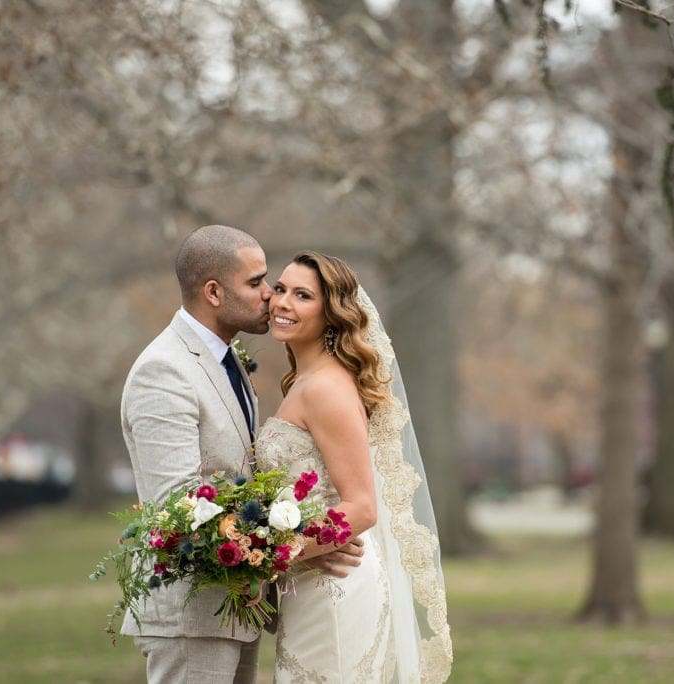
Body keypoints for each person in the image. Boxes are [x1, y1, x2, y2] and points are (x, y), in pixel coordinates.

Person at [120, 227, 363, 682]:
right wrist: (290, 551)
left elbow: (243, 479)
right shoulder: (164, 371)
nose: (270, 295)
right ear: (213, 292)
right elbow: (178, 504)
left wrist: (300, 543)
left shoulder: (226, 360)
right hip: (192, 614)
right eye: (256, 283)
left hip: (236, 609)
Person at [254, 251, 453, 683]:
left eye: (302, 295)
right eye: (281, 288)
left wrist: (268, 555)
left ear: (331, 315)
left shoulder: (326, 387)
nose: (282, 302)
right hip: (311, 583)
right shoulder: (303, 382)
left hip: (335, 588)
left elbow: (362, 507)